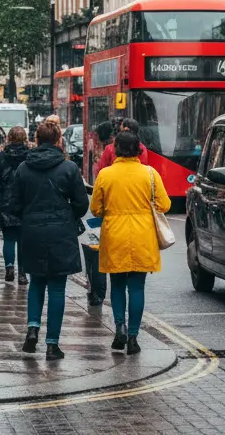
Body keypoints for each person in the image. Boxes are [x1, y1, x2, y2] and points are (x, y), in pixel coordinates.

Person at [4, 120, 89, 361]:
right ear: (58, 140)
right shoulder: (69, 169)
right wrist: (67, 215)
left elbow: (13, 203)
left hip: (32, 232)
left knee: (36, 283)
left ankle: (32, 328)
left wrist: (28, 217)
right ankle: (52, 345)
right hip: (61, 232)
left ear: (37, 140)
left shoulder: (23, 168)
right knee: (57, 288)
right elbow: (82, 204)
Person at [90, 131, 170, 356]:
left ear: (115, 149)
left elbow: (96, 209)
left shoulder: (106, 175)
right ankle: (133, 336)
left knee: (117, 285)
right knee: (137, 287)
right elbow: (164, 204)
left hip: (115, 235)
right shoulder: (150, 174)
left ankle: (120, 327)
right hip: (143, 236)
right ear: (138, 149)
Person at [0, 126, 29, 284]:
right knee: (23, 240)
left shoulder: (2, 156)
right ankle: (22, 273)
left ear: (9, 138)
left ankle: (9, 267)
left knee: (8, 239)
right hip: (25, 202)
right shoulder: (30, 156)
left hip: (5, 202)